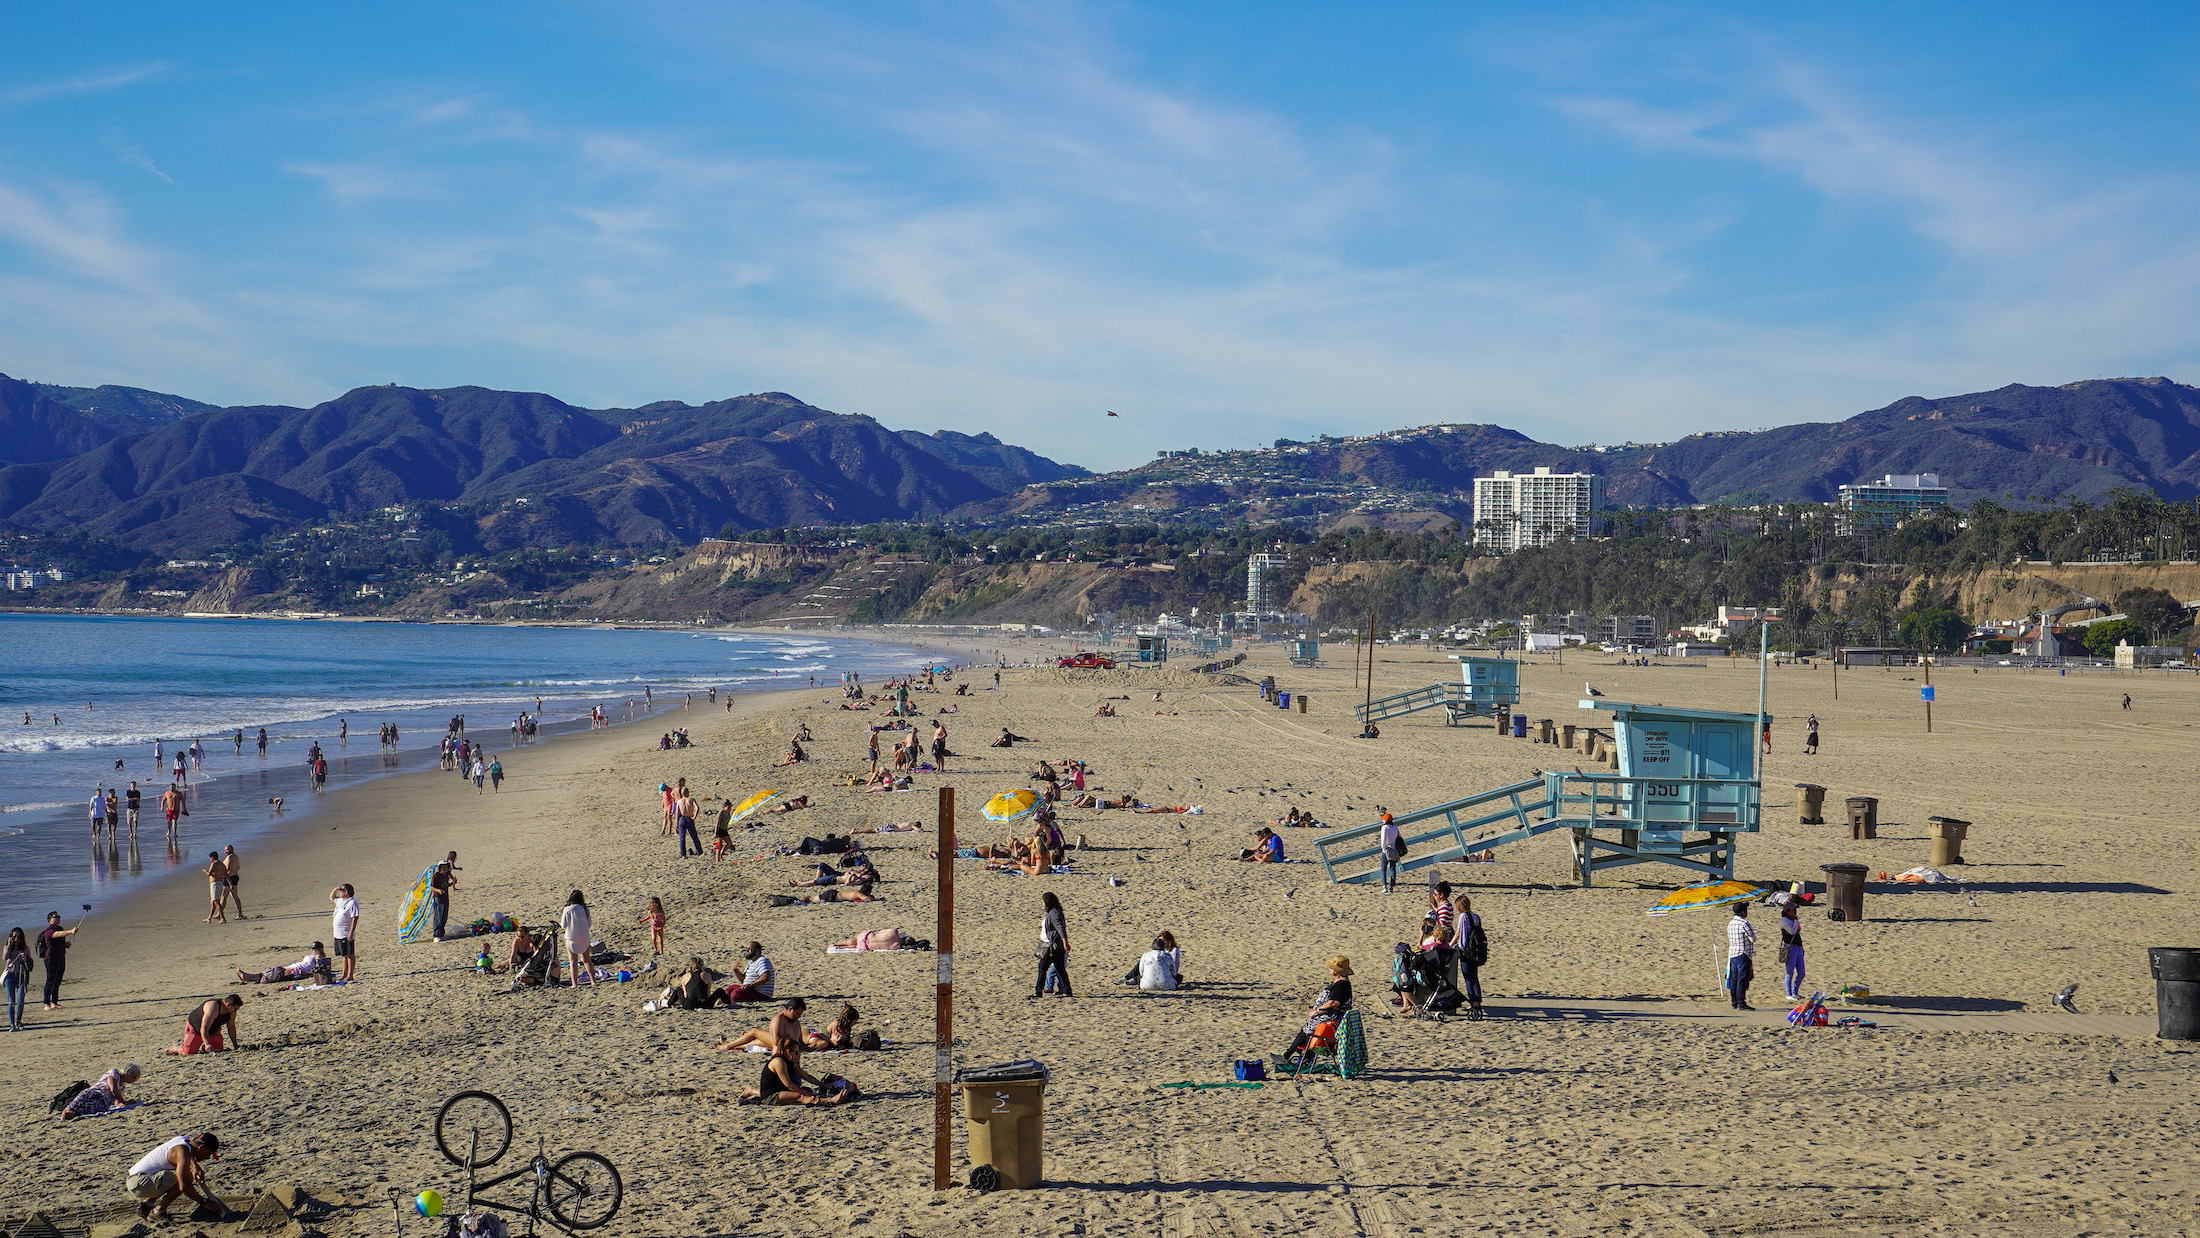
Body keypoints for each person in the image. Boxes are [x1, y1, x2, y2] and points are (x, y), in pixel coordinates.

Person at [126, 1132, 227, 1223]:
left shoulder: (184, 1141)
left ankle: (147, 1205)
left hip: (136, 1180)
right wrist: (204, 1202)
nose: (208, 1157)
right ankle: (158, 1212)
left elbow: (189, 1153)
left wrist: (195, 1166)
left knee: (182, 1174)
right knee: (185, 1178)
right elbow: (184, 1187)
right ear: (202, 1148)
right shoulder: (182, 1152)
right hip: (139, 1183)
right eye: (209, 1154)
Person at [1279, 957, 1354, 1059]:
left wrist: (1317, 1011)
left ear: (1337, 971)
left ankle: (1289, 1056)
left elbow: (1333, 1003)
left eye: (1331, 968)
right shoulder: (1340, 983)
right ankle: (1301, 1057)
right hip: (1328, 1017)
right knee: (1308, 1028)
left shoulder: (1342, 985)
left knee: (1308, 1029)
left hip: (1330, 1019)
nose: (1329, 970)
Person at [736, 1038, 844, 1107]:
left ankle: (752, 1090)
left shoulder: (791, 1061)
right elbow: (788, 1084)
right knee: (800, 1096)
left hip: (780, 1090)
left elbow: (805, 1075)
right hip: (771, 1094)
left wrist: (822, 1084)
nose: (799, 1055)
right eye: (797, 1052)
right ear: (788, 1052)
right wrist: (803, 1092)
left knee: (808, 1090)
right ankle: (830, 1100)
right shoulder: (779, 1061)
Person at [714, 997, 808, 1053]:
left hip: (788, 1046)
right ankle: (728, 1046)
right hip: (781, 1045)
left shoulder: (796, 1022)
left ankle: (730, 1044)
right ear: (790, 1009)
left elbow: (800, 1041)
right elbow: (776, 1042)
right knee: (755, 1032)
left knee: (758, 1042)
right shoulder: (778, 1019)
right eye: (797, 1014)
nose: (798, 1016)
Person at [164, 994, 243, 1055]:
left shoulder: (231, 1012)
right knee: (188, 1052)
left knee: (218, 1049)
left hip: (213, 1030)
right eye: (235, 1009)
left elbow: (231, 1027)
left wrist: (235, 1045)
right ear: (228, 1005)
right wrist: (207, 1043)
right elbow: (204, 1028)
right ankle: (176, 1047)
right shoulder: (213, 1007)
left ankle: (202, 1047)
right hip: (196, 1028)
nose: (236, 1011)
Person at [62, 1063, 141, 1118]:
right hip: (95, 1092)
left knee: (93, 1106)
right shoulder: (114, 1073)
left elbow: (116, 1101)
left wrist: (124, 1104)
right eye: (134, 1077)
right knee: (85, 1095)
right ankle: (68, 1110)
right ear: (128, 1073)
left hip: (102, 1101)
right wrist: (124, 1102)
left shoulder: (122, 1088)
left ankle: (73, 1113)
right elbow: (113, 1089)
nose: (134, 1080)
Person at [1453, 893, 1487, 1018]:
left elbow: (1460, 933)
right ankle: (1477, 1001)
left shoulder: (1463, 916)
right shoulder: (1475, 916)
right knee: (1475, 978)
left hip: (1466, 951)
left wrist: (1453, 945)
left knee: (1468, 978)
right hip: (1476, 950)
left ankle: (1473, 1002)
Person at [1034, 892, 1072, 998]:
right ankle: (1067, 991)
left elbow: (1060, 928)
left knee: (1042, 967)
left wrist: (1065, 942)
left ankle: (1038, 992)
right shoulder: (1054, 912)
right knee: (1060, 969)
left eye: (1043, 901)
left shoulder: (1055, 913)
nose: (1042, 903)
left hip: (1053, 947)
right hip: (1054, 946)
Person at [38, 910, 76, 1010]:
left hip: (60, 957)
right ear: (50, 920)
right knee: (50, 980)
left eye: (59, 916)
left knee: (58, 980)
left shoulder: (60, 928)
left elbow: (59, 940)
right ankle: (46, 1004)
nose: (58, 918)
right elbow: (57, 935)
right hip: (50, 958)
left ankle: (54, 1002)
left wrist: (65, 945)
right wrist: (70, 931)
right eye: (56, 917)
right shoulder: (49, 930)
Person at [236, 945, 329, 985]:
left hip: (291, 971)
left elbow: (319, 966)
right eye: (312, 948)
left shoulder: (318, 958)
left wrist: (318, 956)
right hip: (288, 969)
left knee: (270, 974)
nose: (313, 950)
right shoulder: (312, 957)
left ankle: (246, 976)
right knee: (265, 974)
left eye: (315, 949)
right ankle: (246, 976)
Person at [1725, 903, 1757, 1010]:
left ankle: (1734, 1001)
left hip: (1733, 953)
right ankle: (1741, 1002)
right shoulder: (1744, 923)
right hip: (1743, 953)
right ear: (1743, 912)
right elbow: (1753, 938)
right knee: (1742, 979)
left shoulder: (1731, 923)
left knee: (1734, 978)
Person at [560, 891, 594, 988]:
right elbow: (589, 923)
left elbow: (563, 925)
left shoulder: (567, 909)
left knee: (573, 962)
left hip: (571, 938)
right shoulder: (584, 909)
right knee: (587, 960)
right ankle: (593, 981)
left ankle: (574, 984)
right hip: (584, 937)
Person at [4, 927, 31, 1031]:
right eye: (14, 936)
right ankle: (11, 1024)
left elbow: (29, 964)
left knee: (20, 1000)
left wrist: (25, 958)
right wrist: (8, 945)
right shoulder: (8, 948)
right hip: (10, 975)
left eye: (18, 937)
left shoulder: (25, 948)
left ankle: (18, 1021)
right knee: (11, 1001)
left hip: (21, 976)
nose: (16, 939)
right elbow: (5, 957)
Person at [1779, 902, 1806, 1000]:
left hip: (1798, 947)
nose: (1795, 912)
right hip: (1790, 948)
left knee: (1802, 972)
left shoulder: (1793, 920)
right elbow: (1792, 931)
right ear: (1787, 911)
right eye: (1793, 910)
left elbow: (1799, 930)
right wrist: (1795, 921)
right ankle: (1789, 993)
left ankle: (1795, 992)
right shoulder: (1784, 921)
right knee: (1790, 972)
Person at [429, 859, 458, 941]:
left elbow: (445, 885)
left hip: (445, 898)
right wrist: (438, 890)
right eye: (443, 867)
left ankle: (441, 934)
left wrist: (452, 884)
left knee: (444, 917)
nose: (444, 869)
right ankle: (436, 935)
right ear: (440, 868)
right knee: (438, 916)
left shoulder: (446, 876)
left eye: (445, 867)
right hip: (438, 898)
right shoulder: (436, 876)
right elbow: (431, 887)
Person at [200, 853, 229, 924]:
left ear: (212, 857)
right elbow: (226, 874)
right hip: (220, 883)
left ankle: (222, 918)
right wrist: (230, 884)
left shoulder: (214, 864)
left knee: (216, 901)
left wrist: (205, 871)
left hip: (215, 884)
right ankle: (209, 918)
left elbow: (209, 873)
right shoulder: (222, 864)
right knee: (213, 901)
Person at [1377, 811, 1402, 894]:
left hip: (1386, 849)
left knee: (1383, 869)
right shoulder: (1395, 827)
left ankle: (1384, 886)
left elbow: (1383, 840)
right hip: (1394, 849)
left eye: (1383, 819)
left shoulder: (1384, 828)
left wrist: (1383, 849)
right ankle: (1392, 886)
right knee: (1392, 868)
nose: (1382, 821)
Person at [221, 845, 245, 920]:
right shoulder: (236, 856)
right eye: (225, 850)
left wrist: (223, 874)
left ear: (230, 850)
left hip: (229, 878)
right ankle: (240, 914)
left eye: (227, 850)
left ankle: (219, 913)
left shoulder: (230, 857)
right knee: (234, 896)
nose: (225, 851)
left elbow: (227, 868)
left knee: (224, 896)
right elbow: (238, 867)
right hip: (235, 876)